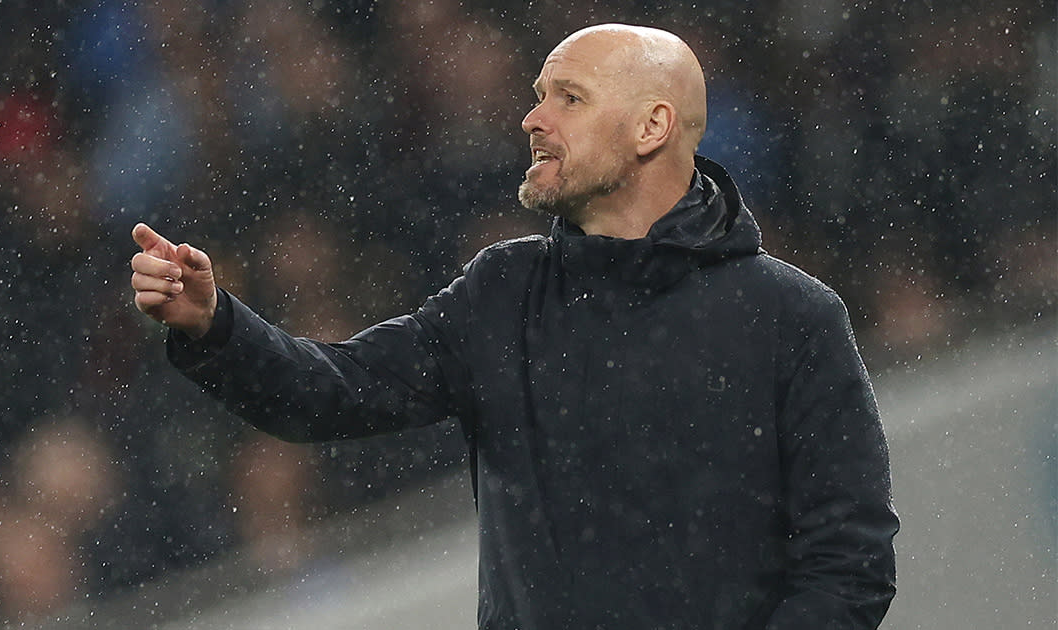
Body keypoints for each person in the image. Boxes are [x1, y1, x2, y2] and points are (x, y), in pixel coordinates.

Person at [130, 23, 898, 629]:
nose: (532, 118)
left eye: (569, 97)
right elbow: (330, 392)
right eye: (538, 95)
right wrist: (214, 323)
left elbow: (850, 561)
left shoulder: (792, 317)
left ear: (651, 126)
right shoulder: (502, 293)